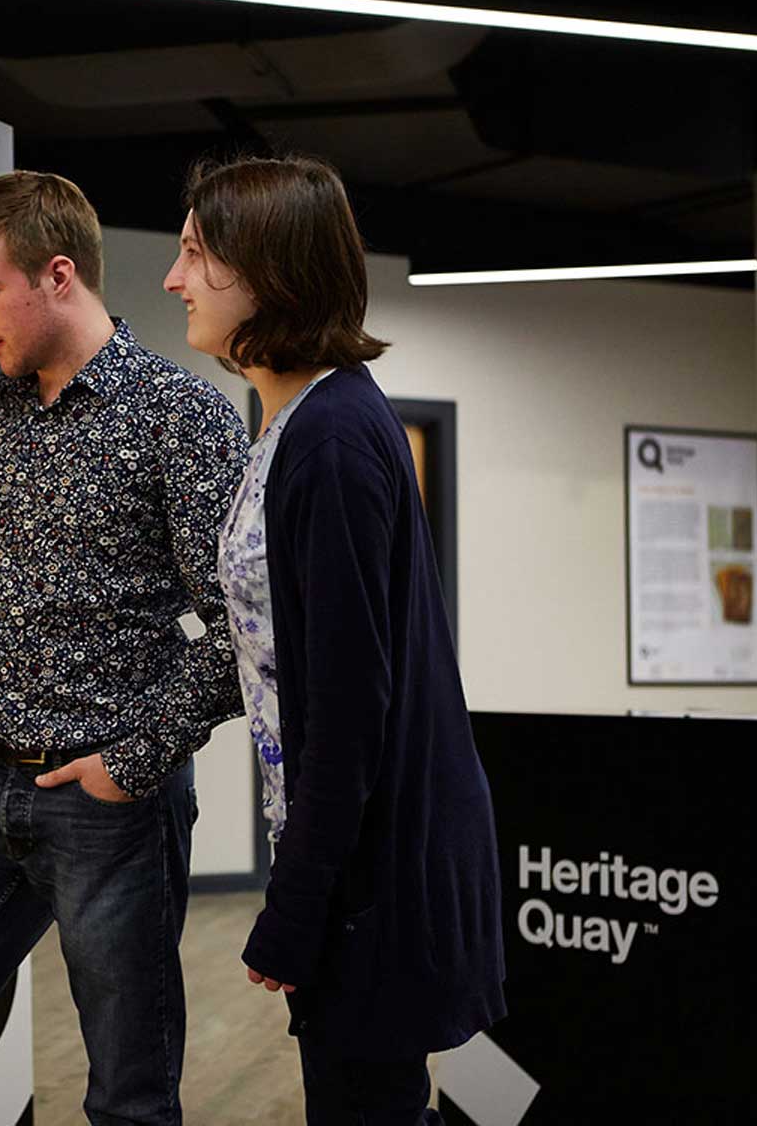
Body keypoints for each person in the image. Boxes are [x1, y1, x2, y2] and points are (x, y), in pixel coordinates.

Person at [0, 171, 249, 1125]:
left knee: (127, 1094)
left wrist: (133, 757)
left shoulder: (179, 416)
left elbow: (247, 625)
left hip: (107, 802)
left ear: (58, 275)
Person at [163, 155, 505, 1125]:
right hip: (353, 858)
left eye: (194, 252)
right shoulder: (304, 421)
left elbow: (353, 703)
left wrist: (297, 903)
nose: (174, 277)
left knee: (369, 1104)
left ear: (264, 268)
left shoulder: (337, 437)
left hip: (376, 870)